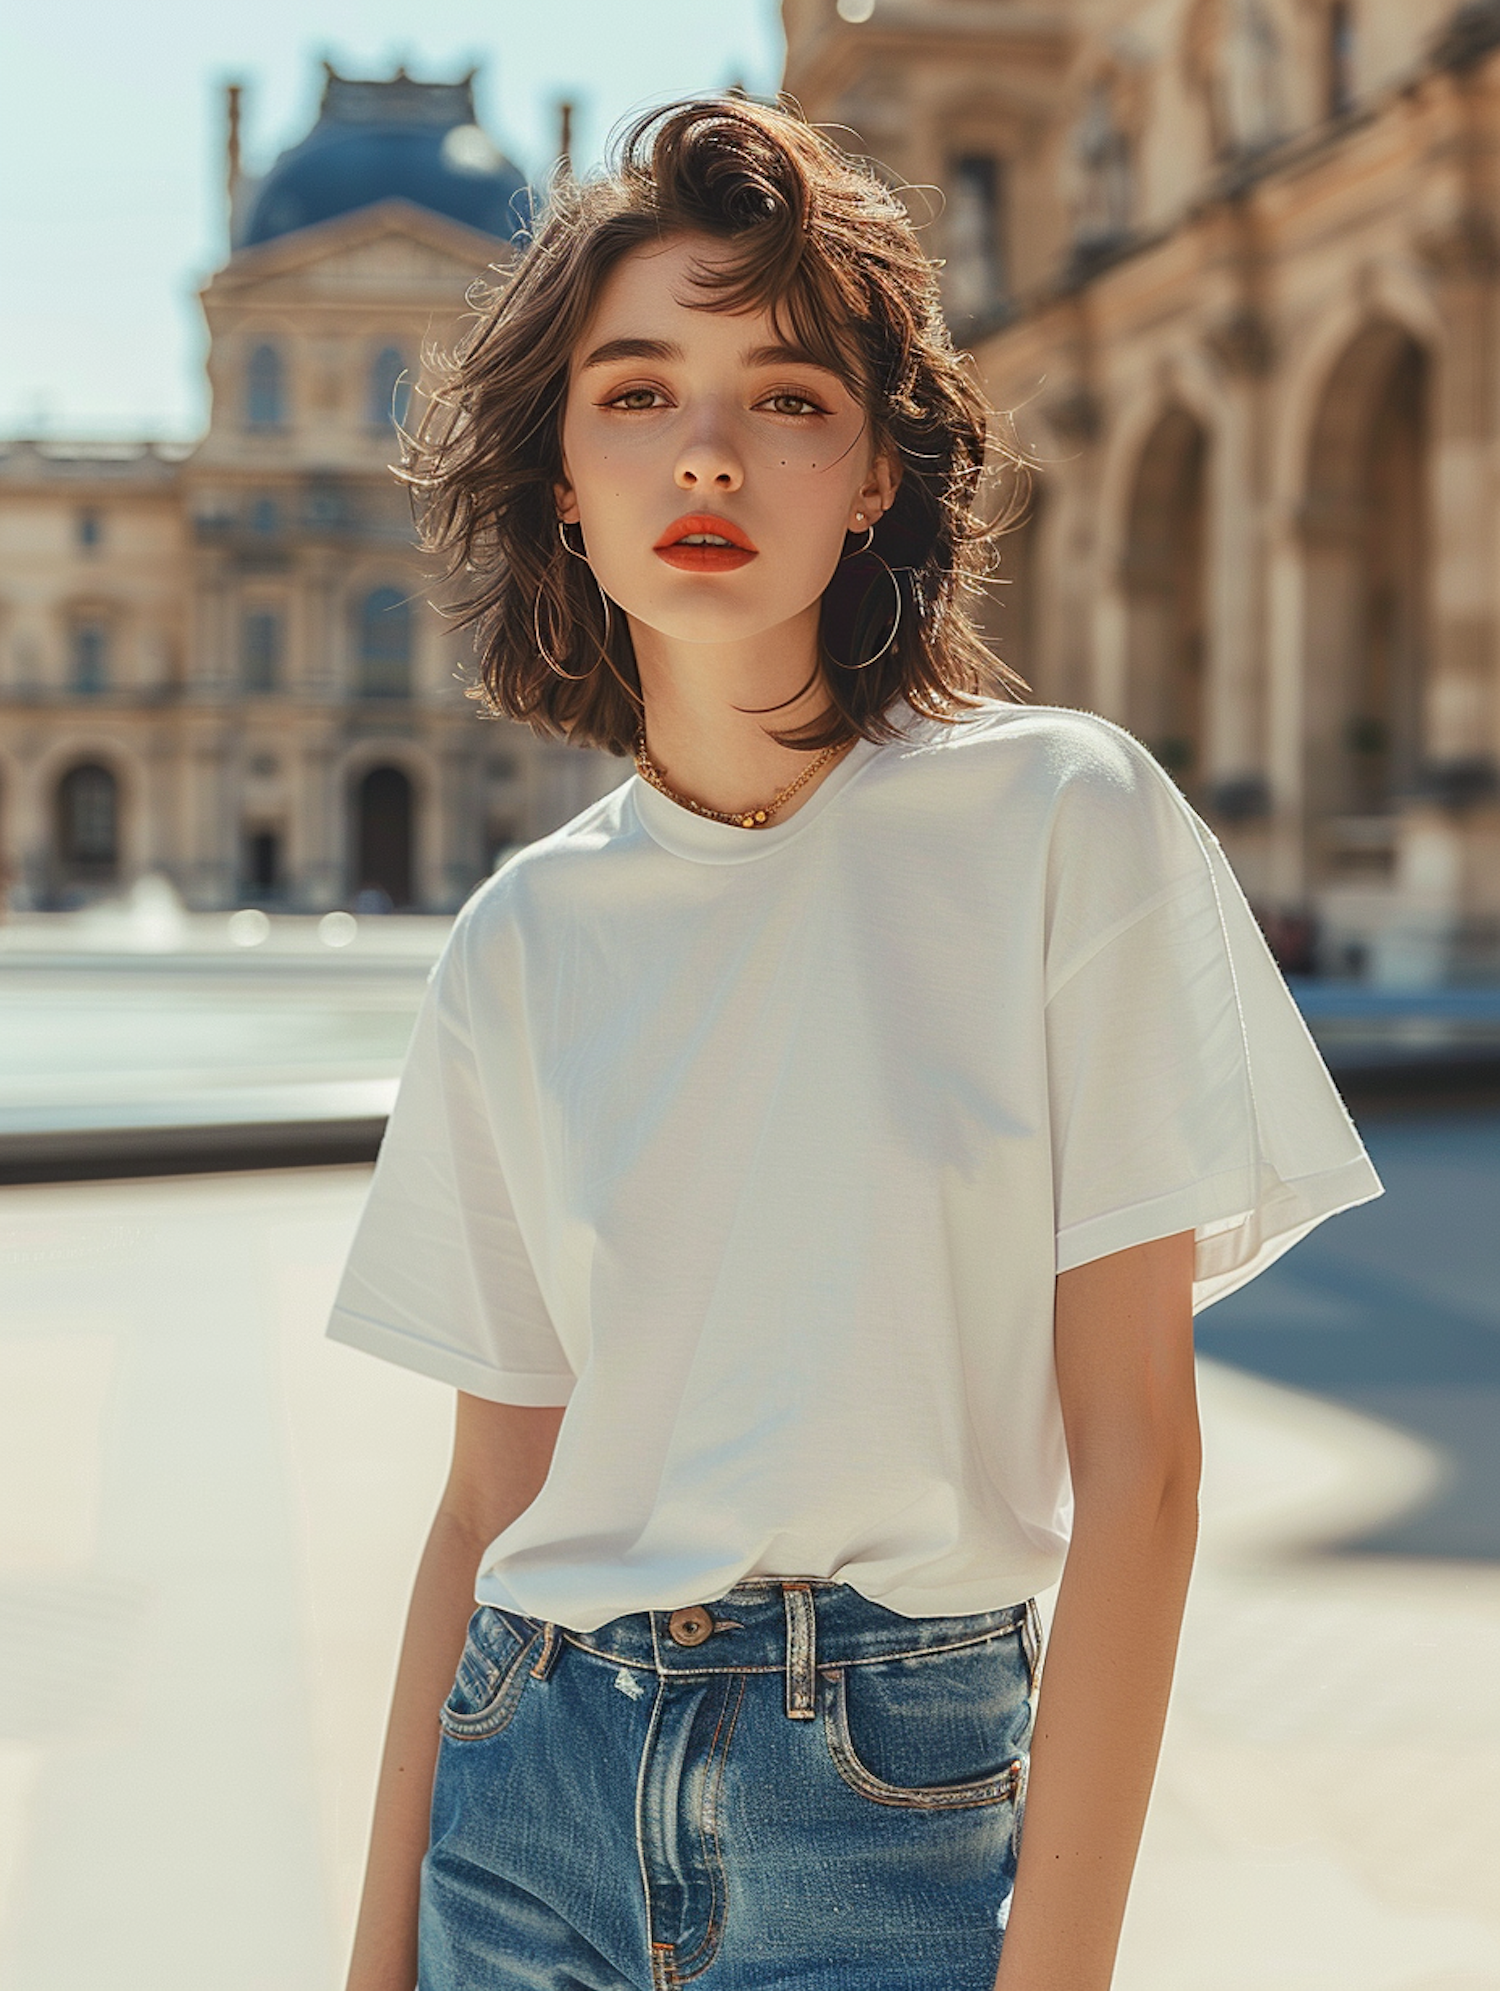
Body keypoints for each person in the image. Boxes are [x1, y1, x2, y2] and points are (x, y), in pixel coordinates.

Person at [327, 98, 1381, 1991]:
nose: (710, 447)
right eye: (637, 392)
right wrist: (370, 1956)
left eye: (790, 395)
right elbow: (489, 1503)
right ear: (561, 475)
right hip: (525, 1791)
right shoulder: (519, 941)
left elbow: (1138, 1464)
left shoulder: (1067, 822)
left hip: (883, 1802)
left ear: (878, 467)